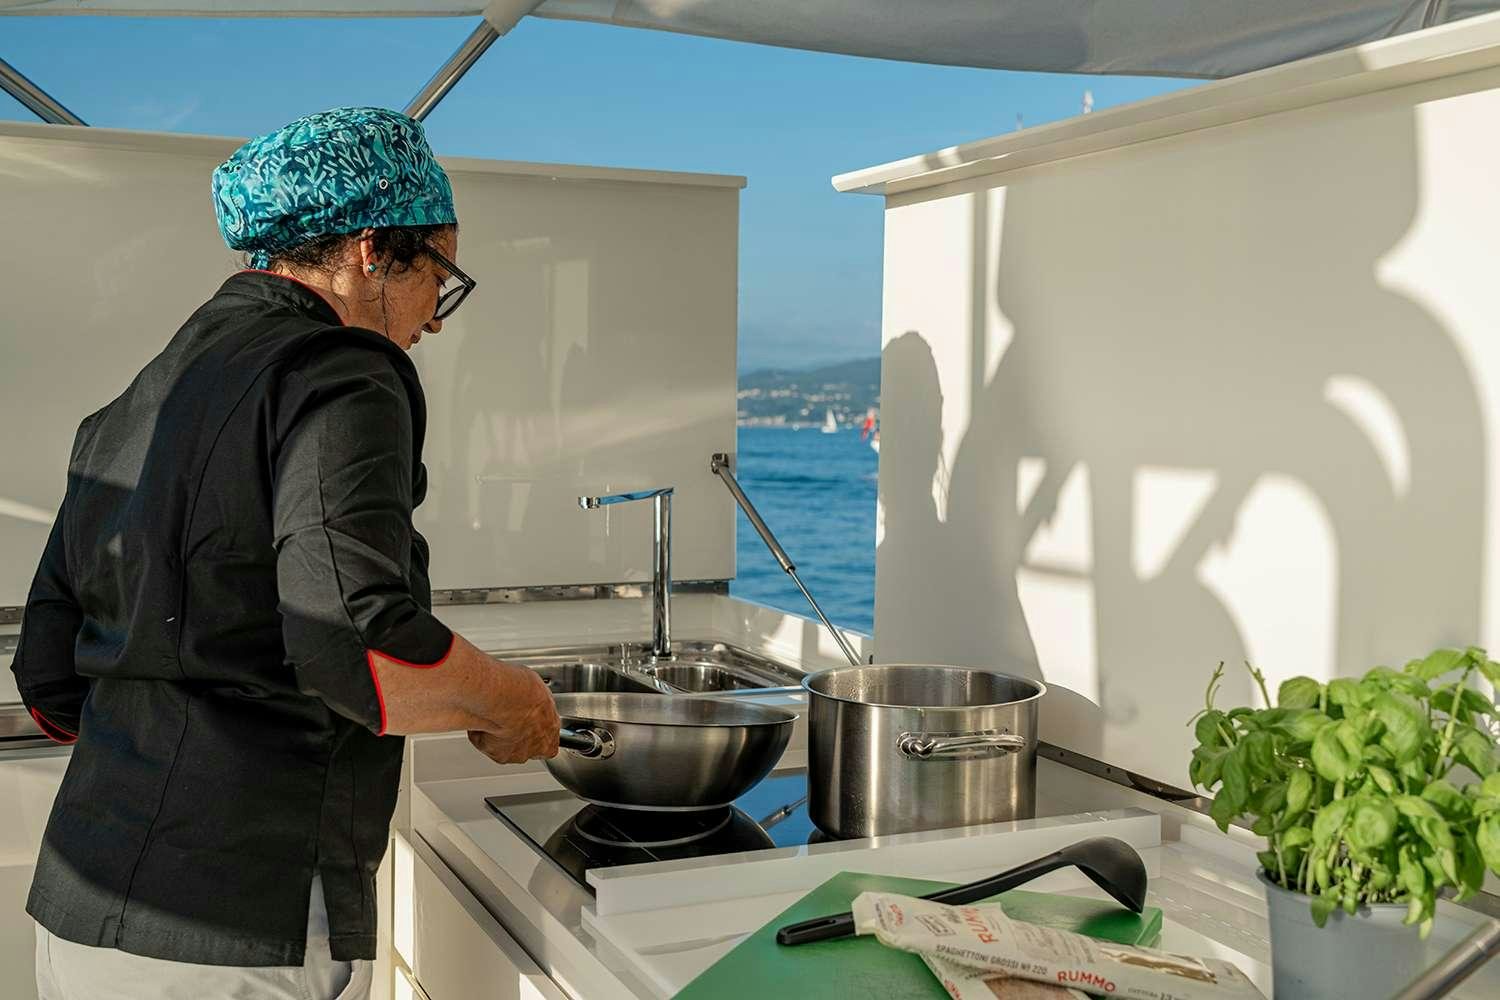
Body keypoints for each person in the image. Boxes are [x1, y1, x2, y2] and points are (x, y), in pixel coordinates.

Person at [10, 107, 561, 1000]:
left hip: (83, 913)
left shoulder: (136, 401)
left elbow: (48, 679)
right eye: (441, 279)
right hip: (233, 931)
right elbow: (363, 646)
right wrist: (513, 702)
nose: (436, 321)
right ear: (374, 250)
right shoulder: (343, 370)